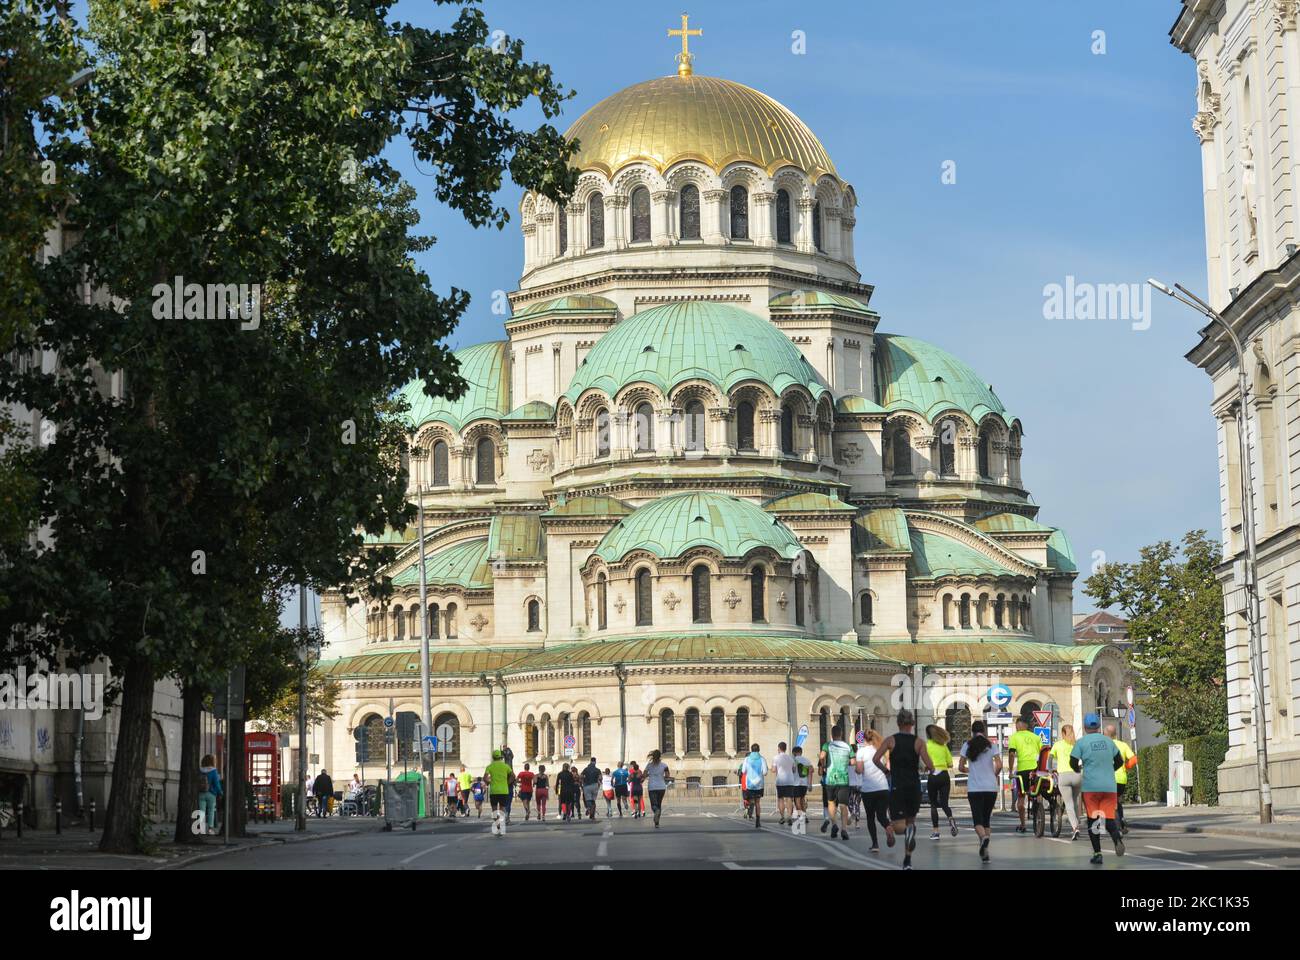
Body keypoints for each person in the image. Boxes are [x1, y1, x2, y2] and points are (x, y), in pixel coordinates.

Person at [874, 709, 934, 870]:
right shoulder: (919, 742)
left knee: (899, 826)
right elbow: (930, 765)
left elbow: (875, 759)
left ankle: (902, 834)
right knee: (911, 822)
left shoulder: (890, 741)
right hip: (914, 787)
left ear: (898, 723)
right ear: (912, 723)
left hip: (897, 786)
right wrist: (929, 770)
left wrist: (886, 772)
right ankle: (907, 860)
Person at [1070, 713, 1126, 865]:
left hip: (1091, 788)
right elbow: (1120, 761)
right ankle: (1116, 839)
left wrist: (1079, 769)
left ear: (1085, 727)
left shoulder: (1081, 743)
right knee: (1109, 818)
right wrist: (1109, 769)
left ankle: (1098, 854)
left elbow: (1073, 762)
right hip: (1109, 787)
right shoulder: (1108, 741)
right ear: (1098, 727)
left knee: (1093, 820)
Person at [959, 720, 1001, 863]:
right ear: (983, 730)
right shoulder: (991, 745)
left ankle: (984, 839)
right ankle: (985, 854)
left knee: (978, 820)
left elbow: (960, 767)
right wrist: (993, 774)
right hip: (990, 788)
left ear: (972, 731)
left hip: (975, 788)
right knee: (986, 820)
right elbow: (1000, 765)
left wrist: (970, 770)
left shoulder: (967, 745)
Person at [854, 730, 891, 852]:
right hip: (883, 788)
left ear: (864, 739)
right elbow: (887, 767)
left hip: (868, 789)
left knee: (870, 817)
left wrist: (857, 769)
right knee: (881, 816)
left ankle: (875, 845)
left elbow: (859, 770)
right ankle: (888, 828)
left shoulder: (861, 752)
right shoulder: (881, 750)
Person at [819, 725, 854, 841]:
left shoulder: (827, 745)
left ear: (832, 735)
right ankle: (844, 829)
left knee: (831, 803)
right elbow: (853, 762)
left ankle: (834, 824)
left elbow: (822, 756)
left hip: (831, 779)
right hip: (844, 780)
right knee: (844, 805)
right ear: (841, 734)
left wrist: (823, 764)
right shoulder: (848, 746)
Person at [1007, 717, 1042, 834]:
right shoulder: (1036, 737)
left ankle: (1023, 824)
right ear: (1027, 726)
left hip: (1022, 770)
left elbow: (1011, 754)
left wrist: (1011, 771)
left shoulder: (1014, 737)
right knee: (1037, 793)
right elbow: (1042, 753)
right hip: (1036, 769)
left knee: (1021, 798)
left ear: (1017, 726)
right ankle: (1039, 812)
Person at [1050, 724, 1082, 840]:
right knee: (1074, 803)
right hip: (1077, 775)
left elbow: (1050, 757)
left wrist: (1049, 770)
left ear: (1063, 734)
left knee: (1068, 804)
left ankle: (1075, 828)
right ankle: (1076, 824)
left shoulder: (1058, 744)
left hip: (1064, 776)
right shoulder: (1077, 744)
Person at [925, 725, 957, 840]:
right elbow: (950, 764)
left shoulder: (927, 745)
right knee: (944, 803)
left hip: (933, 775)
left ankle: (936, 832)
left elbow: (925, 761)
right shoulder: (943, 746)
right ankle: (950, 818)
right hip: (944, 775)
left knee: (933, 805)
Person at [1106, 722, 1137, 834]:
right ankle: (1122, 819)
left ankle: (1118, 826)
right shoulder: (1123, 745)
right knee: (1117, 801)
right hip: (1122, 779)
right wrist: (1126, 767)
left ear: (1105, 735)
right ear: (1115, 734)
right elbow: (1134, 759)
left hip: (1108, 779)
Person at [484, 749, 515, 836]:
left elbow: (485, 778)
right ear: (501, 757)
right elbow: (513, 776)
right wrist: (508, 782)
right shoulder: (505, 766)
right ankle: (501, 824)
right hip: (504, 790)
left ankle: (497, 824)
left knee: (494, 810)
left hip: (494, 791)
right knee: (502, 809)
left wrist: (489, 782)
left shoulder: (489, 767)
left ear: (493, 757)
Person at [739, 742, 769, 829]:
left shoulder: (747, 759)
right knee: (758, 803)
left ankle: (748, 811)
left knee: (751, 800)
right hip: (759, 784)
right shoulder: (762, 759)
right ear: (759, 750)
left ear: (751, 750)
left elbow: (743, 771)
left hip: (750, 784)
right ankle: (758, 820)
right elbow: (765, 772)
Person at [771, 741, 797, 826]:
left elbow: (774, 770)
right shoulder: (791, 758)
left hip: (780, 781)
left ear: (778, 748)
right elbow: (794, 770)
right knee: (789, 799)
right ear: (785, 748)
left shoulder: (776, 758)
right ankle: (789, 816)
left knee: (781, 799)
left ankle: (782, 817)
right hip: (790, 780)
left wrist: (772, 768)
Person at [644, 750, 670, 827]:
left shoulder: (649, 765)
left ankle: (656, 812)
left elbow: (644, 775)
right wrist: (663, 777)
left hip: (652, 787)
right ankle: (657, 823)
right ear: (660, 756)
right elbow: (667, 775)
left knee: (654, 805)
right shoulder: (664, 765)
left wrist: (648, 774)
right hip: (661, 787)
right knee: (659, 804)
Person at [198, 754, 222, 834]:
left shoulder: (200, 770)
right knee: (211, 811)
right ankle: (210, 829)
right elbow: (216, 783)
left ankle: (201, 829)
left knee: (201, 811)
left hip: (201, 793)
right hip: (211, 794)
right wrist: (220, 792)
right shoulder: (213, 771)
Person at [791, 745, 812, 827]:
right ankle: (804, 815)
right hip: (804, 783)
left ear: (794, 753)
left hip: (796, 783)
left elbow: (792, 770)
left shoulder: (793, 760)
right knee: (802, 799)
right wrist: (809, 784)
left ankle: (801, 816)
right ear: (801, 752)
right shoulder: (807, 760)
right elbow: (810, 772)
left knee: (797, 800)